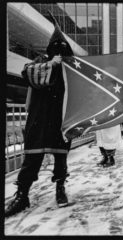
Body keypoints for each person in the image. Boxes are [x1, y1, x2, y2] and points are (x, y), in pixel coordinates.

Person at [5, 15, 74, 217]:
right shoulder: (41, 61)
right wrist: (52, 64)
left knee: (61, 159)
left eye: (62, 46)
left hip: (60, 121)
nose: (59, 49)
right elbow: (27, 73)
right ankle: (22, 195)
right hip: (38, 119)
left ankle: (60, 189)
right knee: (31, 160)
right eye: (56, 46)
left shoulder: (73, 67)